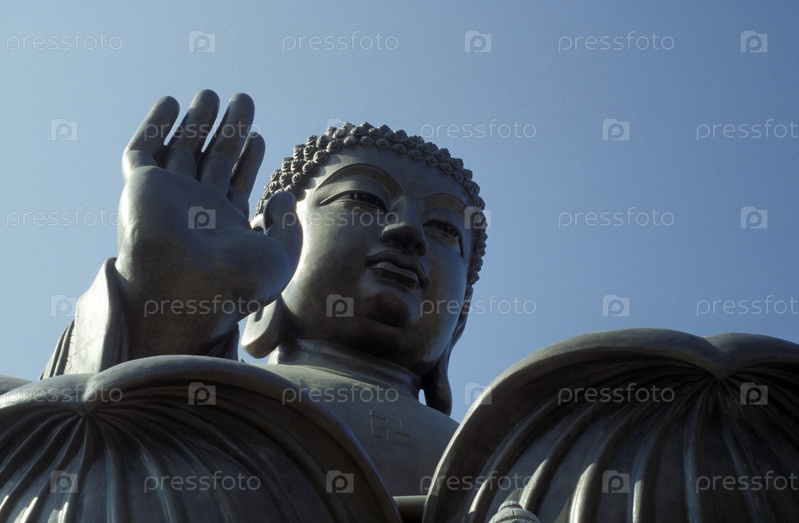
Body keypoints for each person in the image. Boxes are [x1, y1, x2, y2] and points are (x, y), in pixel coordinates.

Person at [37, 89, 488, 495]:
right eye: (364, 199)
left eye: (445, 228)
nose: (409, 232)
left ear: (460, 319)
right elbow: (79, 475)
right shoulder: (210, 398)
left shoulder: (503, 452)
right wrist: (165, 308)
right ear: (269, 240)